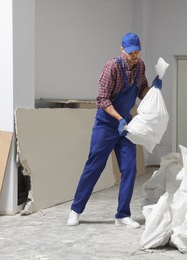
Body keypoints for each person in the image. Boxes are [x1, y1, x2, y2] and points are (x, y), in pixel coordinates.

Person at [67, 32, 162, 228]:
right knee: (94, 166)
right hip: (106, 123)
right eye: (130, 52)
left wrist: (153, 90)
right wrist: (118, 118)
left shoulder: (140, 66)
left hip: (125, 124)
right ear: (122, 49)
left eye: (137, 52)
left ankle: (122, 215)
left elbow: (141, 90)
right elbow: (101, 99)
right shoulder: (112, 67)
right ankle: (75, 210)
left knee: (129, 168)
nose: (134, 56)